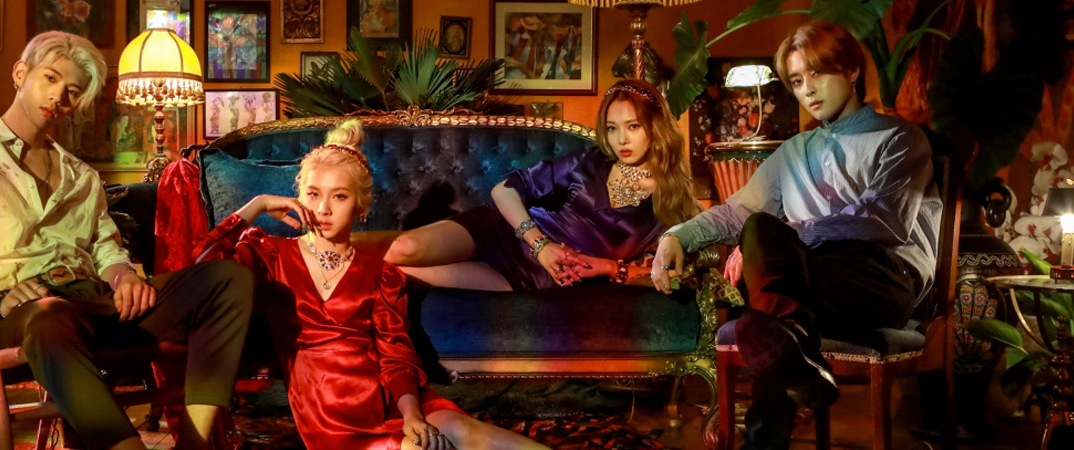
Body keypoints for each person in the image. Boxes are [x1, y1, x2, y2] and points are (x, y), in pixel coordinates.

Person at [0, 31, 254, 450]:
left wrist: (124, 279)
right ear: (20, 73)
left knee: (226, 280)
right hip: (21, 314)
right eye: (50, 78)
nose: (58, 96)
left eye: (73, 91)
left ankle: (194, 442)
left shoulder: (81, 176)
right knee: (50, 314)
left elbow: (106, 248)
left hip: (94, 304)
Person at [651, 21, 942, 449]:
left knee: (766, 303)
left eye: (817, 73)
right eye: (797, 80)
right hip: (809, 286)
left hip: (881, 282)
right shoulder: (794, 151)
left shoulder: (899, 138)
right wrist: (676, 236)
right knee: (763, 252)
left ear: (852, 71)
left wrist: (795, 233)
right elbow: (738, 213)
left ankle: (766, 430)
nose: (808, 90)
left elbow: (882, 221)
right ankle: (794, 366)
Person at [197, 120, 551, 450]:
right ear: (299, 195)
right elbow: (201, 268)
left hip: (394, 398)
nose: (323, 209)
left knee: (468, 431)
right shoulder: (271, 254)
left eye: (339, 196)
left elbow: (396, 356)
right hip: (331, 415)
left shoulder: (381, 274)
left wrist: (412, 415)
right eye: (313, 194)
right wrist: (257, 205)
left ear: (360, 207)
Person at [382, 79, 702, 292]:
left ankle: (349, 273)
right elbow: (504, 189)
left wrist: (607, 268)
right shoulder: (590, 161)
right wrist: (541, 245)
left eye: (633, 126)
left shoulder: (670, 200)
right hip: (506, 233)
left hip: (534, 276)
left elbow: (677, 273)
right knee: (402, 249)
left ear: (655, 127)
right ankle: (348, 253)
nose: (622, 139)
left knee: (397, 277)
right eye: (612, 128)